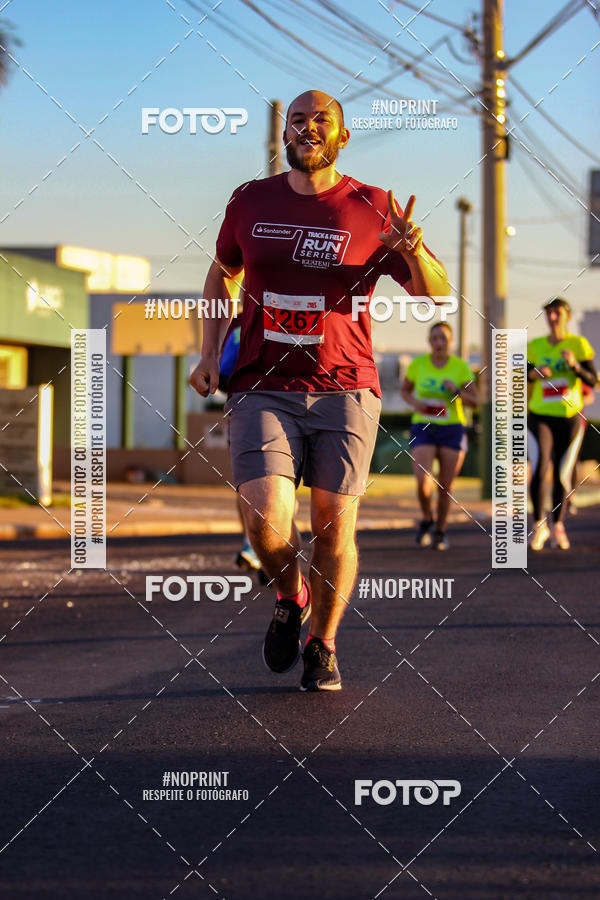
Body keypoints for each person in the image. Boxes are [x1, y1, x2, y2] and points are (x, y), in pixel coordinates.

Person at [190, 89, 450, 691]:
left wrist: (414, 253)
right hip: (263, 383)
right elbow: (221, 270)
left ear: (342, 136)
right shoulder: (250, 201)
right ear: (285, 136)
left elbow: (435, 293)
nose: (308, 129)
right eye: (297, 122)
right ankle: (290, 592)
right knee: (265, 524)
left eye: (321, 121)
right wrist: (209, 353)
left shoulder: (375, 205)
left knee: (334, 522)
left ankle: (323, 643)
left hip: (346, 388)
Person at [400, 322, 478, 550]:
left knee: (445, 486)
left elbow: (475, 400)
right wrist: (416, 403)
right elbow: (405, 390)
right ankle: (426, 517)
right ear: (429, 341)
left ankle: (440, 532)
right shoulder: (418, 365)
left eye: (443, 338)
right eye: (434, 338)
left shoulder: (461, 367)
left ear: (450, 341)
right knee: (423, 483)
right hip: (423, 426)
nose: (439, 343)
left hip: (451, 428)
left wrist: (456, 390)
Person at [527, 297, 597, 550]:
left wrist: (574, 366)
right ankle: (539, 526)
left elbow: (593, 379)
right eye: (549, 313)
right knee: (539, 467)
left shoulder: (578, 344)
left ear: (567, 315)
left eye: (558, 312)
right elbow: (519, 372)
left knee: (562, 473)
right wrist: (533, 374)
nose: (553, 317)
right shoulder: (535, 346)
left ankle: (557, 525)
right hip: (540, 415)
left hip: (569, 417)